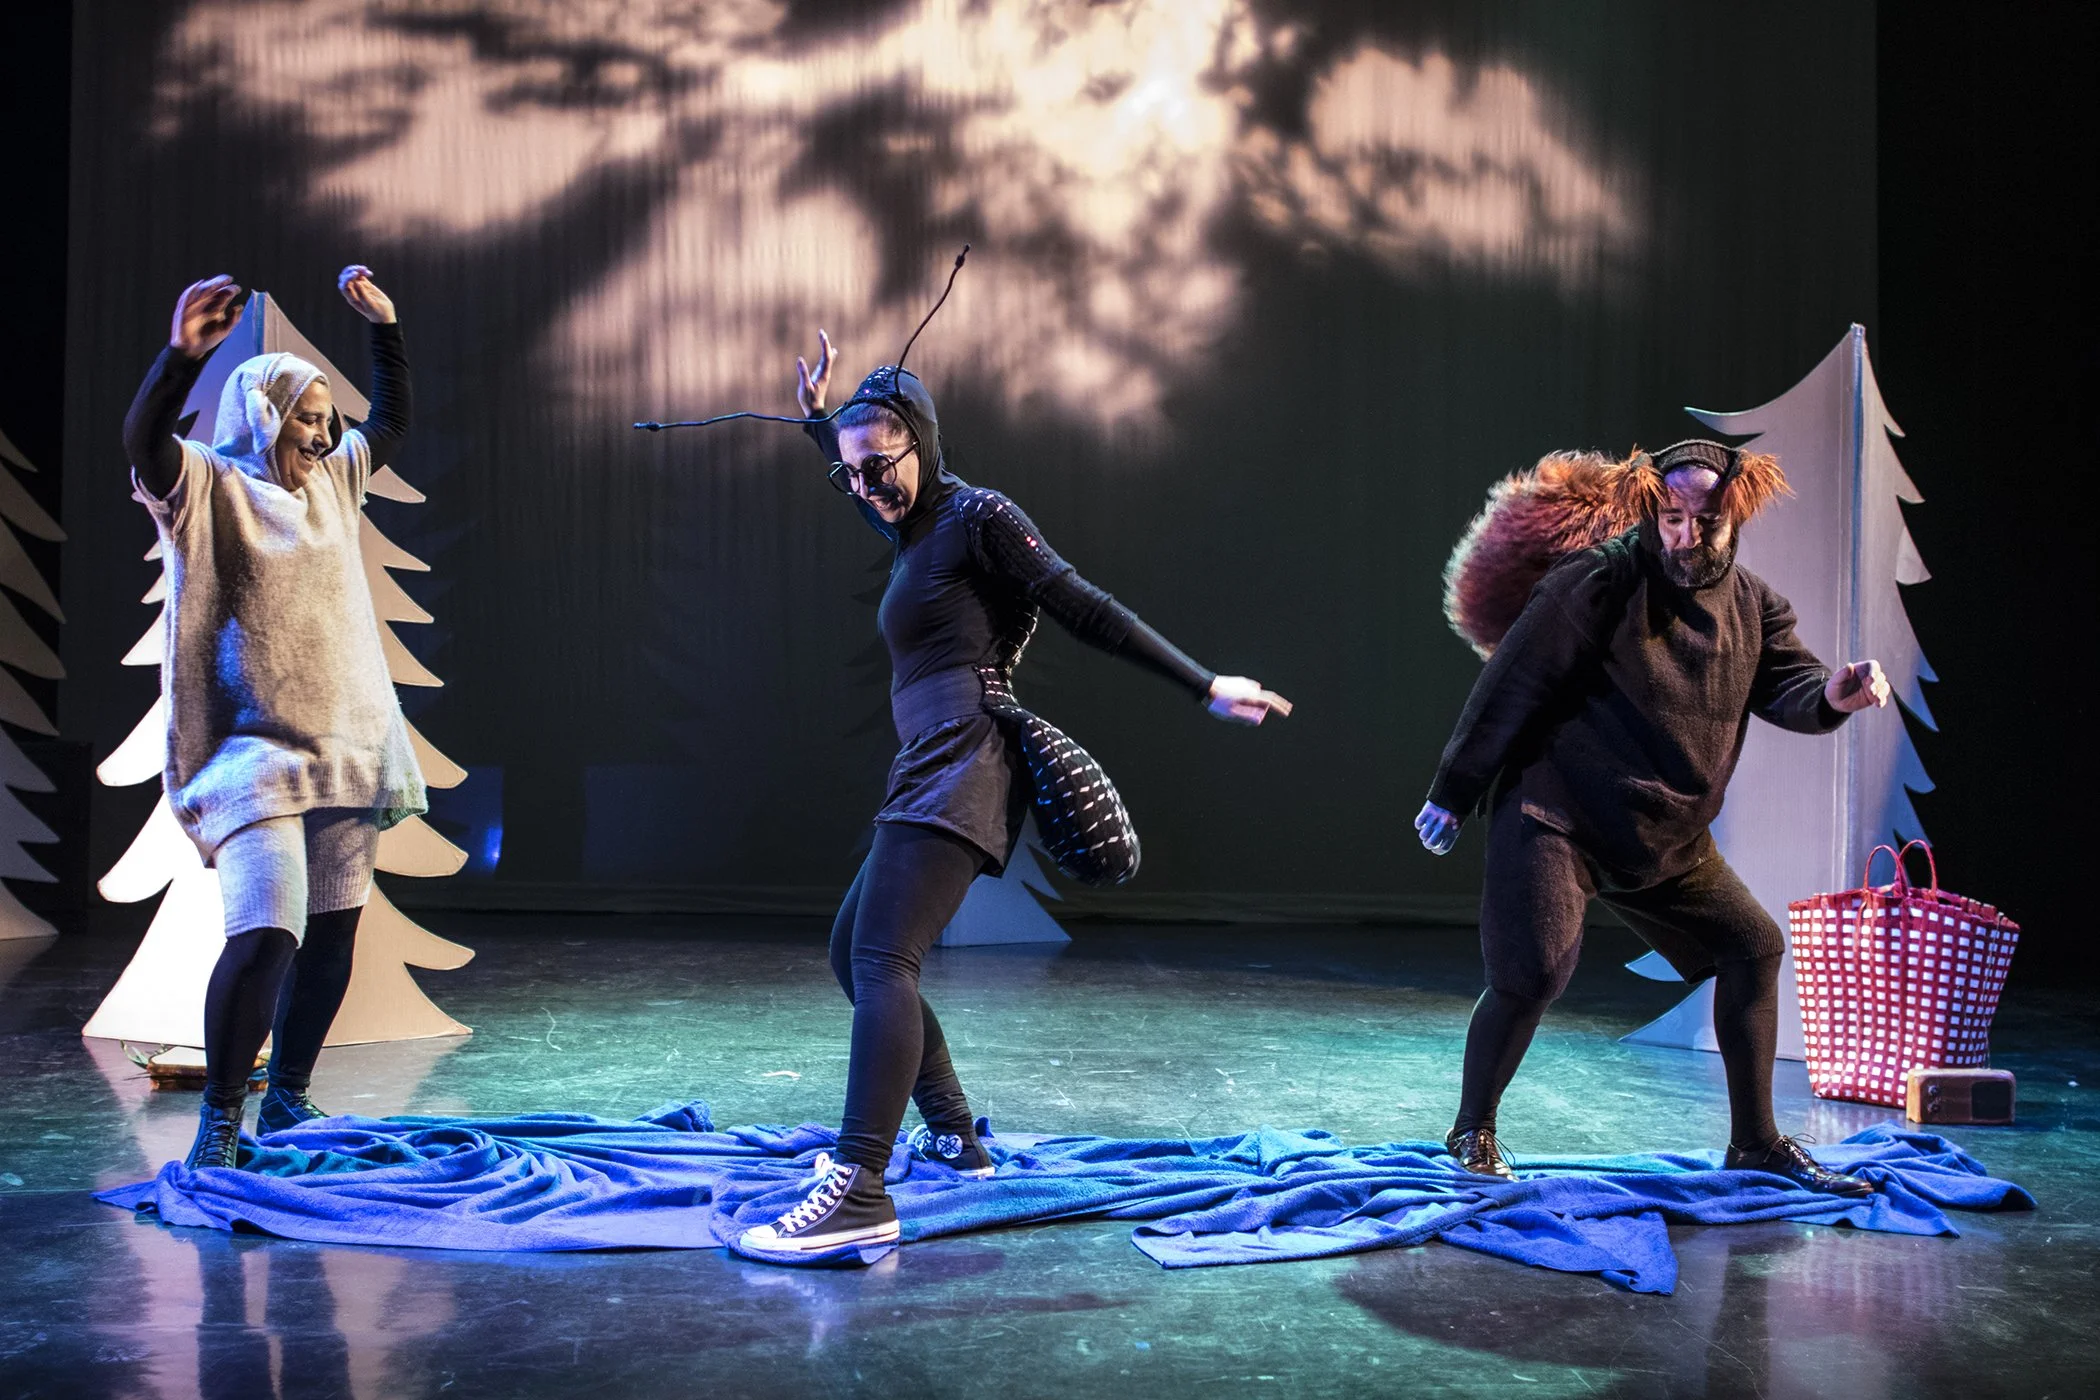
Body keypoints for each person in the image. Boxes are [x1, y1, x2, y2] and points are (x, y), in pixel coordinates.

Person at [737, 330, 1292, 1262]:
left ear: (922, 441)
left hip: (967, 754)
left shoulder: (978, 516)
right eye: (850, 475)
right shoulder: (913, 528)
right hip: (929, 761)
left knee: (881, 959)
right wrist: (818, 424)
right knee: (852, 954)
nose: (867, 487)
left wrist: (1204, 685)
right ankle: (957, 1140)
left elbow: (1086, 607)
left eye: (880, 466)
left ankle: (859, 1190)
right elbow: (869, 482)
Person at [1414, 438, 1889, 1194]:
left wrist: (1836, 694)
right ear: (1652, 511)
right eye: (1672, 519)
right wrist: (1453, 790)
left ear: (1734, 517)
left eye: (1706, 522)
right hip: (1559, 816)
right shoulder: (1596, 580)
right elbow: (1511, 684)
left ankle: (1755, 1144)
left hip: (1665, 838)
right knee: (1533, 972)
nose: (1686, 537)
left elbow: (1791, 686)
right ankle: (1472, 1127)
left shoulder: (1754, 607)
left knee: (1753, 948)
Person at [123, 267, 426, 1172]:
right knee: (265, 933)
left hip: (348, 746)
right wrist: (181, 358)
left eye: (327, 419)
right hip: (251, 758)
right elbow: (144, 444)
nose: (324, 433)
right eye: (307, 418)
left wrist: (386, 330)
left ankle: (288, 1097)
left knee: (333, 932)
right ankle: (222, 1117)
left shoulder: (334, 482)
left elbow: (390, 424)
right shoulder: (207, 486)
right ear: (263, 417)